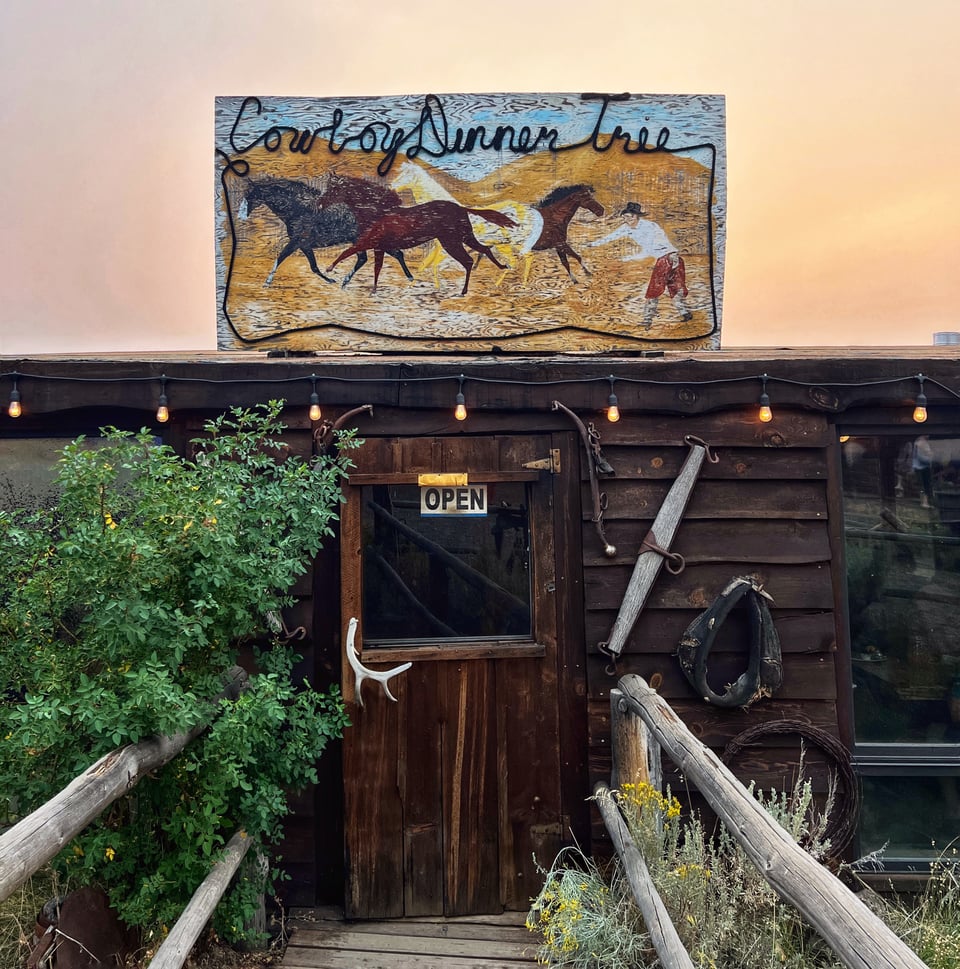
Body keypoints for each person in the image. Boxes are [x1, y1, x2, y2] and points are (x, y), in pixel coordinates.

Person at [586, 201, 692, 326]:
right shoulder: (626, 228)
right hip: (668, 258)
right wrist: (593, 244)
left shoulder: (650, 227)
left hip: (668, 258)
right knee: (669, 287)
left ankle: (647, 320)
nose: (627, 219)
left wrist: (629, 258)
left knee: (659, 289)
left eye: (630, 216)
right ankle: (685, 313)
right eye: (625, 217)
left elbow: (649, 249)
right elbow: (612, 236)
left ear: (637, 216)